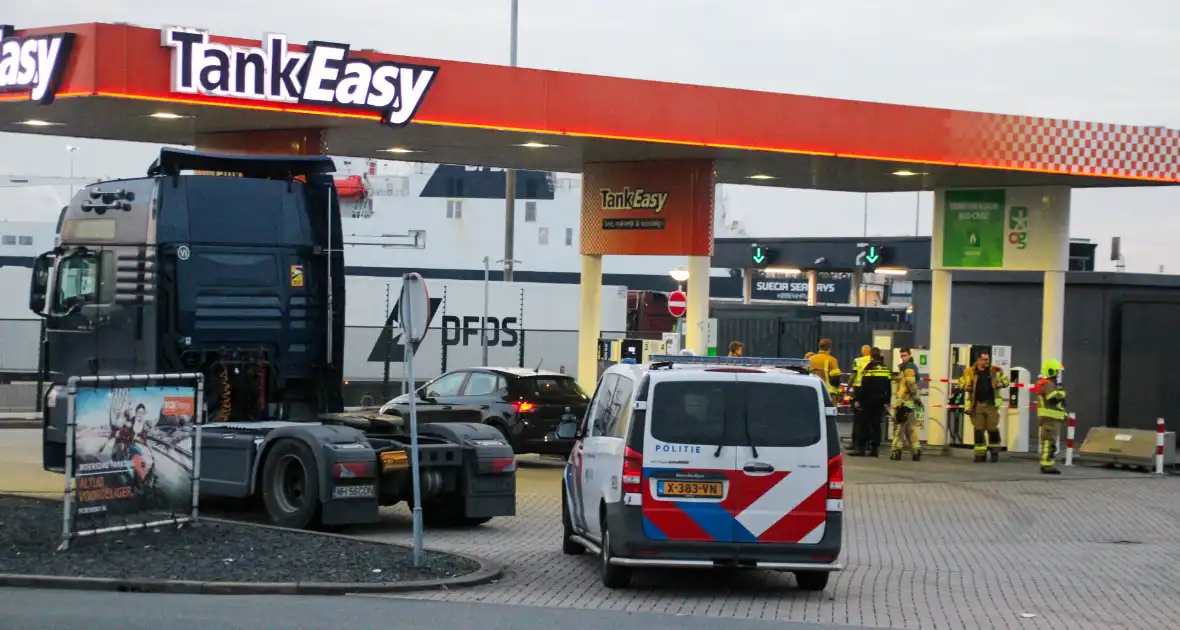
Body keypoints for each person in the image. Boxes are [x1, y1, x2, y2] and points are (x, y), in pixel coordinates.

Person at [958, 352, 1010, 463]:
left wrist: (1002, 383)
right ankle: (980, 454)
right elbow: (960, 382)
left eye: (987, 359)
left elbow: (1006, 380)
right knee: (978, 430)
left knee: (992, 429)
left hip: (991, 405)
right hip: (976, 405)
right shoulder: (969, 372)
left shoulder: (996, 371)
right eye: (983, 359)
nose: (986, 362)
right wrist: (965, 386)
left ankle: (994, 452)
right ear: (978, 360)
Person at [852, 348, 891, 457]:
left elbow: (864, 385)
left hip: (868, 400)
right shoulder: (886, 369)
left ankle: (861, 449)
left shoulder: (869, 368)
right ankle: (874, 449)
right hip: (880, 401)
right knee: (876, 425)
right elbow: (889, 386)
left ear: (871, 357)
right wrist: (887, 400)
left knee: (864, 424)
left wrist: (858, 399)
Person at [1033, 359, 1067, 475]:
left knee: (1049, 441)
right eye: (1057, 371)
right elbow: (1052, 398)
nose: (1058, 374)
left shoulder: (1047, 383)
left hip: (1051, 418)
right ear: (1051, 371)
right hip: (1050, 418)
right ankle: (1046, 465)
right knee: (1048, 442)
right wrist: (1061, 394)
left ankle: (1047, 463)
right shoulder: (1047, 384)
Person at [891, 364, 923, 461]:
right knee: (910, 430)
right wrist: (918, 400)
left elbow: (912, 388)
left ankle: (897, 451)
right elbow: (914, 389)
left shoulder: (905, 376)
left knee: (899, 430)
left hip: (902, 406)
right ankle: (916, 451)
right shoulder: (904, 377)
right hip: (909, 406)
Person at [808, 338, 842, 405]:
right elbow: (836, 379)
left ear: (819, 347)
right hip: (828, 395)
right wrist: (839, 392)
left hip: (813, 393)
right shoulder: (832, 360)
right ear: (829, 348)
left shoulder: (810, 359)